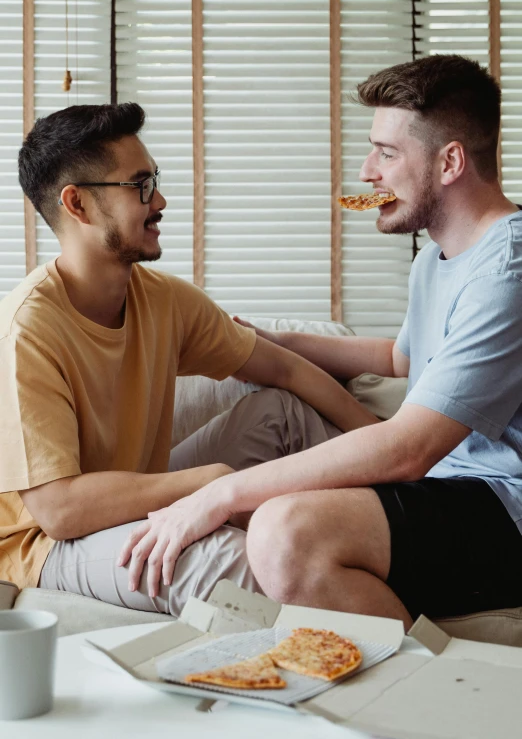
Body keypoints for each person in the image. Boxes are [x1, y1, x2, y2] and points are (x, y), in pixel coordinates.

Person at [119, 54, 522, 630]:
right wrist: (274, 340)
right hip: (445, 484)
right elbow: (400, 359)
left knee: (284, 533)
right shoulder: (436, 258)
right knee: (270, 421)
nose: (366, 171)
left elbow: (411, 447)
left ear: (450, 160)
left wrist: (221, 495)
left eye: (386, 152)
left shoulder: (507, 269)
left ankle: (434, 684)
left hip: (503, 508)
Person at [0, 103, 377, 616]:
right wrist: (210, 484)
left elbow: (283, 369)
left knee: (278, 412)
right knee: (223, 560)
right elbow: (60, 510)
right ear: (79, 205)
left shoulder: (166, 300)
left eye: (153, 180)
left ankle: (399, 528)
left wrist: (390, 446)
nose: (160, 200)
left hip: (131, 494)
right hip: (44, 542)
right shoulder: (26, 330)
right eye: (139, 186)